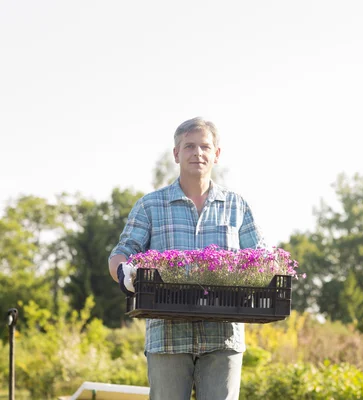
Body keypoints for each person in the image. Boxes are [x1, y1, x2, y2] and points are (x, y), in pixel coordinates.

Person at [108, 116, 266, 400]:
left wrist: (269, 271)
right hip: (168, 337)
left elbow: (261, 258)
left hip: (223, 336)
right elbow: (122, 252)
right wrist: (124, 272)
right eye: (189, 146)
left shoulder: (236, 205)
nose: (198, 153)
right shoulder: (151, 205)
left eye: (205, 146)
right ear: (176, 154)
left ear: (216, 154)